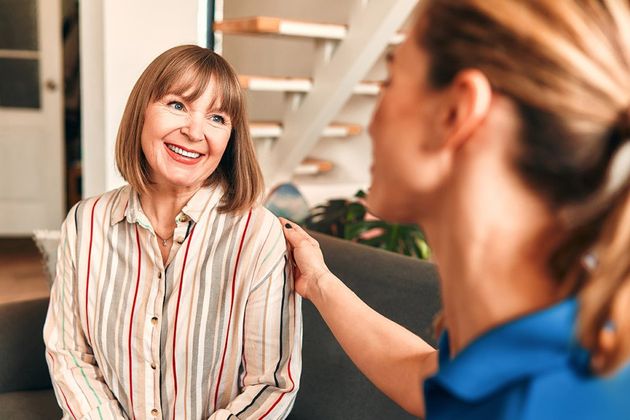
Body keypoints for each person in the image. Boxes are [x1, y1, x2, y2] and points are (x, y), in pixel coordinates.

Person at [281, 0, 630, 418]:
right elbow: (424, 376)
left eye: (390, 80)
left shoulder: (542, 401)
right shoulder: (539, 327)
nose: (372, 121)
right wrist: (319, 281)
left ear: (455, 113)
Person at [44, 45, 301, 420]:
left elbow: (271, 385)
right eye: (177, 105)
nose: (194, 131)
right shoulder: (86, 222)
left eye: (216, 118)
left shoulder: (258, 235)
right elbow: (70, 355)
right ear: (141, 112)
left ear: (230, 138)